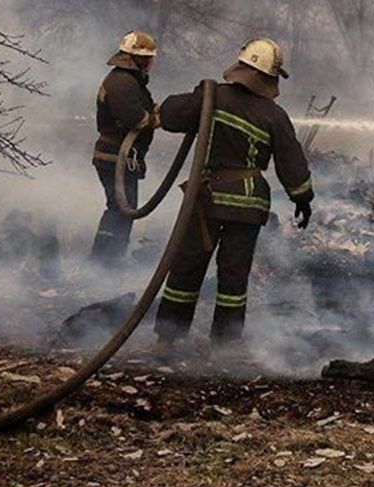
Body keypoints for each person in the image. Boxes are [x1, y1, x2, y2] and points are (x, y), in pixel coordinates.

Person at [153, 38, 314, 344]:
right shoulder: (275, 116)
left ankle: (168, 338)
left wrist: (166, 108)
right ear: (270, 77)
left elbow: (172, 114)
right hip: (248, 205)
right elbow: (292, 163)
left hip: (207, 200)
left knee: (187, 265)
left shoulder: (212, 96)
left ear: (241, 66)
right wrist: (302, 198)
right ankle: (225, 344)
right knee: (233, 275)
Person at [89, 30, 160, 266]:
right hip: (116, 156)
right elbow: (135, 118)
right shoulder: (122, 82)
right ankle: (104, 263)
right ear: (139, 59)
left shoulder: (128, 81)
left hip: (120, 156)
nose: (152, 63)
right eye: (149, 58)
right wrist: (157, 118)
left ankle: (108, 261)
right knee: (120, 210)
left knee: (122, 209)